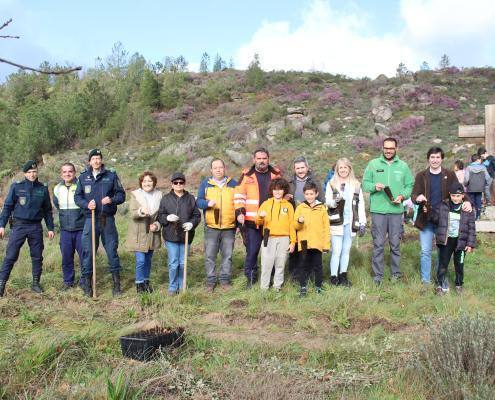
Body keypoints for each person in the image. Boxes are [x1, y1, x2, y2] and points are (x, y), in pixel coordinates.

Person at [411, 147, 471, 285]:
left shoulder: (449, 175)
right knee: (425, 251)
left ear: (442, 159)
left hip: (444, 220)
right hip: (426, 219)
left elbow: (459, 191)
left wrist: (467, 202)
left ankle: (441, 280)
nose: (435, 160)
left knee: (442, 253)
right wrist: (417, 197)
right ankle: (425, 281)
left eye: (438, 157)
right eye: (432, 157)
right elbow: (414, 194)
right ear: (428, 159)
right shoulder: (421, 175)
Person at [74, 149, 126, 297]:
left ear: (101, 160)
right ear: (89, 161)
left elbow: (121, 195)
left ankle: (116, 285)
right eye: (93, 158)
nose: (96, 161)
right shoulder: (83, 177)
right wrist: (86, 204)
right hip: (90, 219)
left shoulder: (111, 175)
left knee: (111, 251)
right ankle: (87, 285)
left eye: (98, 158)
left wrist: (111, 199)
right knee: (88, 252)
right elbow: (77, 197)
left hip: (107, 219)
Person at [363, 137, 414, 285]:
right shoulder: (373, 164)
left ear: (396, 148)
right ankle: (378, 276)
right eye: (386, 148)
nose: (388, 150)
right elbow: (365, 184)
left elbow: (409, 185)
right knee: (378, 244)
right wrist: (374, 187)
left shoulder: (403, 166)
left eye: (391, 148)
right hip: (378, 211)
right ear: (382, 148)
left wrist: (402, 196)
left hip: (396, 211)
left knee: (395, 244)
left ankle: (396, 274)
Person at [0, 160, 54, 297]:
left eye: (34, 172)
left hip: (35, 226)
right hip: (19, 226)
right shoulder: (16, 187)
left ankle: (36, 284)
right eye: (29, 172)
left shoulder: (42, 188)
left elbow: (48, 210)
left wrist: (50, 228)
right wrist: (1, 225)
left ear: (37, 173)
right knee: (11, 256)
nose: (32, 174)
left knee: (37, 257)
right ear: (25, 173)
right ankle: (1, 284)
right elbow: (7, 208)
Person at [234, 147, 281, 288]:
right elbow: (239, 196)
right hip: (251, 223)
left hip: (270, 222)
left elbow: (281, 193)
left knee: (271, 252)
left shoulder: (276, 175)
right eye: (259, 158)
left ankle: (270, 278)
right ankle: (250, 278)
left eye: (264, 158)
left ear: (268, 159)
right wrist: (239, 213)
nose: (261, 161)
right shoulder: (246, 175)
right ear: (254, 159)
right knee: (252, 251)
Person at [196, 159, 237, 292]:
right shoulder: (205, 184)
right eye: (215, 168)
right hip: (211, 227)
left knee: (228, 255)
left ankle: (225, 281)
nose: (218, 170)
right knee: (210, 256)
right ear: (211, 170)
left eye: (220, 167)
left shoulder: (234, 184)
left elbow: (239, 203)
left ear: (225, 168)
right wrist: (207, 204)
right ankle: (210, 281)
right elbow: (198, 202)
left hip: (229, 227)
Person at [325, 158, 366, 287]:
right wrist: (334, 201)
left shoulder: (356, 184)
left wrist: (362, 222)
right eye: (340, 168)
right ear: (337, 169)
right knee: (336, 250)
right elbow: (327, 202)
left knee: (346, 250)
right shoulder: (331, 183)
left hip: (350, 222)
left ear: (349, 169)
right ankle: (333, 277)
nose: (343, 170)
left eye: (345, 167)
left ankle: (343, 275)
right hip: (336, 221)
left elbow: (360, 205)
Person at [158, 172, 201, 295]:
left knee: (183, 263)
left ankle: (182, 285)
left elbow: (197, 215)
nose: (178, 184)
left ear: (184, 183)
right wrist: (167, 218)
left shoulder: (191, 198)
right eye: (175, 182)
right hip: (170, 236)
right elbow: (160, 216)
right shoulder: (165, 199)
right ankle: (172, 287)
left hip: (185, 236)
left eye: (181, 182)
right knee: (173, 263)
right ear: (172, 184)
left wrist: (192, 224)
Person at [431, 182, 476, 295]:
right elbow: (434, 219)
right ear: (450, 195)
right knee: (443, 264)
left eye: (458, 196)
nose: (455, 198)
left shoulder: (467, 209)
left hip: (461, 241)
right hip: (446, 241)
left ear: (462, 196)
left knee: (459, 264)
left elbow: (471, 228)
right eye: (453, 195)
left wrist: (470, 244)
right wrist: (429, 211)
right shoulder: (443, 205)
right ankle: (440, 285)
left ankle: (459, 284)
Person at [125, 171, 162, 294]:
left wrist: (157, 225)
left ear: (154, 183)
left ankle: (146, 281)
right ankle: (139, 284)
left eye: (150, 181)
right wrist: (141, 211)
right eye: (144, 181)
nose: (147, 183)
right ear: (141, 183)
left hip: (152, 233)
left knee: (148, 259)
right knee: (140, 260)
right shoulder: (135, 195)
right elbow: (133, 213)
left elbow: (161, 215)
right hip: (138, 233)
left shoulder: (159, 195)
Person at [286, 156, 322, 281]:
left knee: (310, 249)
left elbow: (321, 201)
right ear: (294, 169)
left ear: (307, 167)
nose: (300, 170)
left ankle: (310, 275)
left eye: (302, 167)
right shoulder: (289, 183)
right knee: (294, 248)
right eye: (297, 168)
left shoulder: (315, 182)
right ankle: (295, 276)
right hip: (294, 220)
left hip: (311, 222)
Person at [256, 178, 296, 291]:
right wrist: (260, 217)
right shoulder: (266, 204)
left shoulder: (288, 205)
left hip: (284, 238)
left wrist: (292, 242)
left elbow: (292, 225)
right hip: (269, 238)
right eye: (275, 189)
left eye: (280, 189)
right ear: (271, 190)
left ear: (284, 191)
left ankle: (277, 287)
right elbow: (258, 222)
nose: (277, 192)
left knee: (280, 264)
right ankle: (264, 288)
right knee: (266, 264)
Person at [294, 182, 330, 297]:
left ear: (316, 194)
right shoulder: (300, 208)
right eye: (307, 194)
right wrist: (299, 222)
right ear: (304, 195)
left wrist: (326, 245)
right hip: (304, 243)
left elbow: (326, 228)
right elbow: (295, 226)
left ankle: (318, 286)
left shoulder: (322, 209)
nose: (309, 196)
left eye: (311, 194)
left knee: (317, 266)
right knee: (303, 265)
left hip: (317, 243)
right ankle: (303, 287)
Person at [53, 162, 85, 290]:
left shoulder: (81, 186)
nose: (67, 174)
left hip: (81, 228)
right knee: (66, 257)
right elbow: (57, 205)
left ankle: (85, 281)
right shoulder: (57, 189)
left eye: (70, 171)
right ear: (61, 174)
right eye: (64, 172)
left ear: (74, 172)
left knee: (85, 256)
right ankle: (68, 281)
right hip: (65, 229)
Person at [464, 153, 492, 220]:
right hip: (480, 188)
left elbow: (466, 179)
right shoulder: (483, 167)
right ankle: (478, 216)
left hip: (471, 187)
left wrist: (465, 184)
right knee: (478, 201)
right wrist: (486, 185)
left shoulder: (469, 168)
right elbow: (488, 178)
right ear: (478, 160)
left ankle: (471, 215)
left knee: (471, 201)